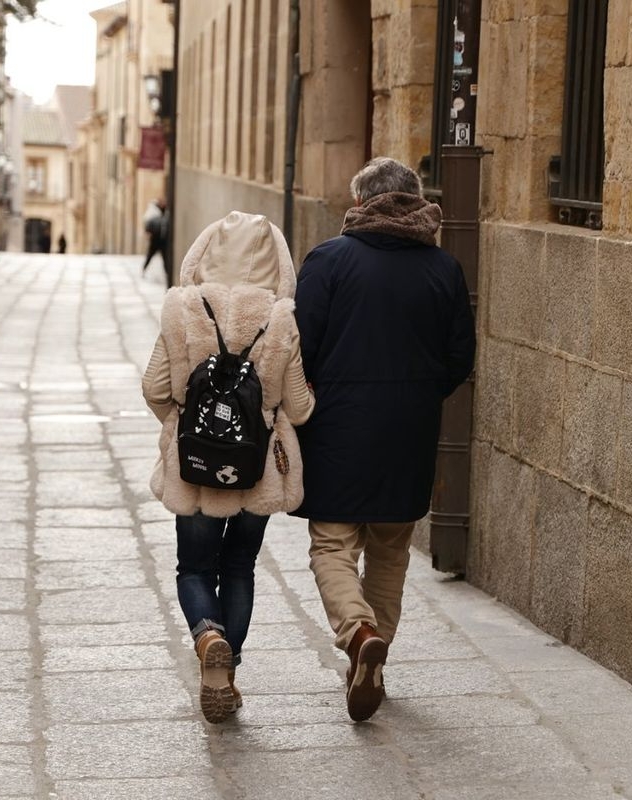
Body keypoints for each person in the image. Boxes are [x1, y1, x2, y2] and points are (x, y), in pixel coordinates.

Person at [291, 157, 476, 722]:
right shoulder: (444, 268)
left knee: (332, 544)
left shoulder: (328, 261)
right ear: (415, 202)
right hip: (410, 431)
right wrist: (417, 397)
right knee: (392, 552)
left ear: (359, 204)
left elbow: (301, 348)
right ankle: (373, 657)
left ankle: (358, 632)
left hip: (338, 428)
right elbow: (458, 359)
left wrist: (312, 406)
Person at [142, 211, 315, 724]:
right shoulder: (281, 318)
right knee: (238, 568)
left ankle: (207, 637)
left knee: (194, 567)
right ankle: (228, 669)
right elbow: (301, 406)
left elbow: (154, 387)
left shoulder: (182, 308)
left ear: (203, 254)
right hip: (256, 470)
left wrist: (179, 421)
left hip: (194, 468)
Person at [142, 198, 168, 277]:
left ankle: (167, 272)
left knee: (165, 258)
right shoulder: (154, 211)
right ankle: (144, 269)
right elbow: (148, 222)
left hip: (162, 239)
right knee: (150, 255)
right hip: (155, 239)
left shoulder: (164, 210)